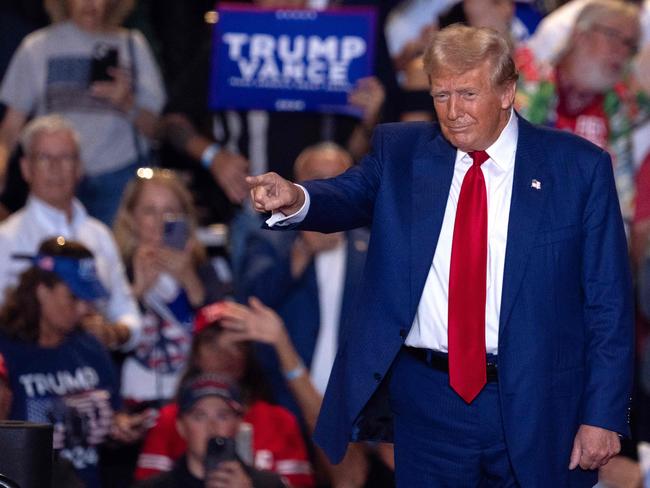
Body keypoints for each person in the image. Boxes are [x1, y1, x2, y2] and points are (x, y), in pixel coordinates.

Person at [247, 24, 633, 487]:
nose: (453, 112)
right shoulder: (403, 151)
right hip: (429, 401)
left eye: (468, 94)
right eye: (441, 95)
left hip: (538, 398)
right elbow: (346, 195)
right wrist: (294, 197)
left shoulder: (577, 167)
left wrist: (603, 413)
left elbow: (608, 303)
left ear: (508, 91)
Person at [0, 237, 150, 488]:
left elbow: (113, 415)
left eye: (88, 299)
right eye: (74, 297)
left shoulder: (91, 348)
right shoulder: (5, 351)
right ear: (42, 291)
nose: (84, 309)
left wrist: (120, 427)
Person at [0, 0, 165, 224]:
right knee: (54, 252)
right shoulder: (37, 47)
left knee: (113, 254)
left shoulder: (133, 45)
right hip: (56, 175)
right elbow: (12, 126)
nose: (89, 3)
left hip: (118, 177)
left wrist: (127, 102)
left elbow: (155, 129)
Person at [238, 143, 369, 406]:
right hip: (284, 398)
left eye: (338, 178)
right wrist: (301, 251)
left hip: (354, 402)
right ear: (296, 186)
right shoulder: (270, 240)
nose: (328, 188)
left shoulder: (373, 246)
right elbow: (251, 301)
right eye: (317, 179)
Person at [0, 114, 141, 351]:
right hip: (29, 368)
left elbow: (127, 313)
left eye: (65, 157)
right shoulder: (6, 239)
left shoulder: (100, 235)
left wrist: (112, 333)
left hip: (94, 368)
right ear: (26, 168)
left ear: (79, 168)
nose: (55, 168)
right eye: (45, 158)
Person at [135, 303, 314, 487]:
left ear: (239, 422)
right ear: (195, 352)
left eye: (236, 344)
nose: (225, 355)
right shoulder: (169, 419)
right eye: (213, 344)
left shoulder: (280, 421)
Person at [514, 0, 646, 227]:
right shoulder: (521, 88)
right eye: (613, 36)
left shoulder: (621, 111)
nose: (622, 52)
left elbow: (622, 205)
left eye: (630, 45)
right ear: (578, 34)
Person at [112, 169, 227, 406]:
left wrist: (191, 282)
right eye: (149, 211)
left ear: (186, 218)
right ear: (131, 218)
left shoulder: (207, 270)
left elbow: (226, 346)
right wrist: (137, 292)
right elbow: (105, 344)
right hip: (131, 404)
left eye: (170, 212)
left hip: (194, 407)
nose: (159, 223)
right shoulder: (116, 271)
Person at [134, 373, 286, 488]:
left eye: (222, 416)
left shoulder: (269, 484)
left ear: (238, 424)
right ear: (181, 426)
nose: (212, 427)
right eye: (199, 416)